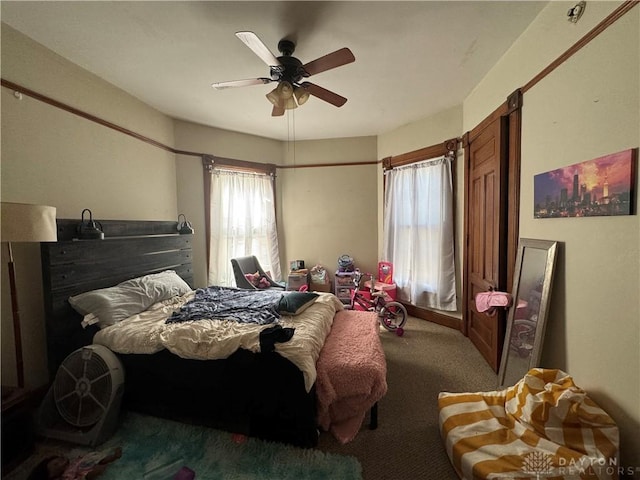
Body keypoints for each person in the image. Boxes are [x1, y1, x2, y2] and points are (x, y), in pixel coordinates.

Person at [27, 447, 122, 480]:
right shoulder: (65, 476)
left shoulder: (73, 460)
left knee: (96, 460)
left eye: (56, 461)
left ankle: (114, 457)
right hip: (83, 474)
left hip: (87, 464)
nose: (60, 462)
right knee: (90, 472)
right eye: (56, 465)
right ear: (53, 476)